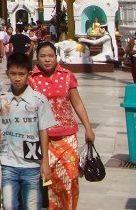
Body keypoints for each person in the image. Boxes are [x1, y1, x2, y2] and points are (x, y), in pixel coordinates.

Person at [29, 41, 96, 210]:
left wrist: (88, 128)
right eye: (43, 56)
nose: (47, 60)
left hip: (68, 137)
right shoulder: (31, 80)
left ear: (56, 56)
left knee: (70, 178)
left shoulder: (67, 76)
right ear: (37, 58)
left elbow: (77, 103)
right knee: (49, 181)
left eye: (50, 56)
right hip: (43, 139)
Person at [0, 53, 53, 210]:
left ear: (29, 75)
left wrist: (45, 162)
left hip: (31, 165)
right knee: (9, 205)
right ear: (7, 74)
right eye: (13, 74)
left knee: (32, 205)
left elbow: (43, 132)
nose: (17, 78)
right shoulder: (1, 100)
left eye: (21, 74)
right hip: (7, 163)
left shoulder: (39, 100)